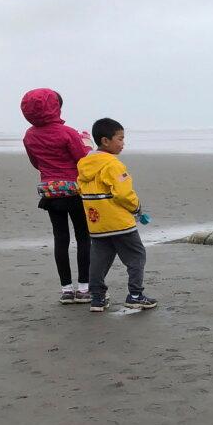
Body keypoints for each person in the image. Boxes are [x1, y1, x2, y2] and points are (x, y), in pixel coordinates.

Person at [77, 117, 157, 312]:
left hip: (96, 222)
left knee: (99, 260)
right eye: (120, 139)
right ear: (106, 141)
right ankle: (135, 295)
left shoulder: (85, 164)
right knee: (136, 256)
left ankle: (97, 298)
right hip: (119, 222)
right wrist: (136, 208)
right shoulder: (113, 165)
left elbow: (80, 188)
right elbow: (123, 193)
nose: (123, 143)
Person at [21, 88, 92, 305]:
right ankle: (84, 288)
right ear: (55, 107)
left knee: (60, 239)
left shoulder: (30, 135)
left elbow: (36, 163)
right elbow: (82, 160)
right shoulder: (67, 133)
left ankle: (66, 290)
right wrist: (87, 144)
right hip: (74, 191)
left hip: (51, 192)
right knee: (83, 237)